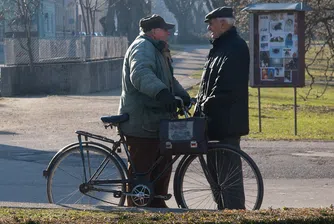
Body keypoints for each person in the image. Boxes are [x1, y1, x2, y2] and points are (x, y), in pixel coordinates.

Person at [118, 14, 190, 208]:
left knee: (162, 165)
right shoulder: (142, 47)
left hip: (157, 121)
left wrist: (183, 96)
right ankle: (137, 209)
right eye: (164, 28)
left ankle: (157, 204)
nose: (168, 32)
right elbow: (140, 74)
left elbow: (169, 80)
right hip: (142, 121)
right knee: (142, 170)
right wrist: (161, 94)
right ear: (152, 31)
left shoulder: (158, 49)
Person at [194, 6, 250, 209]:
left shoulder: (235, 47)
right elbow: (207, 84)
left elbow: (228, 85)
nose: (209, 27)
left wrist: (207, 102)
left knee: (228, 180)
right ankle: (223, 211)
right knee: (217, 179)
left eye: (211, 23)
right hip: (213, 122)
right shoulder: (219, 47)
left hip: (227, 123)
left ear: (223, 23)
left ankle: (234, 214)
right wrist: (199, 103)